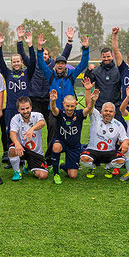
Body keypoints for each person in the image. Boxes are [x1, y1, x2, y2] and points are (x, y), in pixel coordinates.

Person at [37, 33, 90, 162]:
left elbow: (83, 64)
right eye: (58, 63)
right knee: (52, 133)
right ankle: (50, 159)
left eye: (62, 63)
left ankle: (71, 157)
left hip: (69, 110)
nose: (60, 65)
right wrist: (39, 49)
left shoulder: (71, 74)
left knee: (71, 134)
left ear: (65, 64)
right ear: (55, 65)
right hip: (54, 111)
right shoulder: (50, 75)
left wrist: (86, 49)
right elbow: (41, 63)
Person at [0, 31, 37, 163]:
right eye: (14, 61)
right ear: (11, 63)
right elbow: (0, 61)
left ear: (21, 62)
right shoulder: (7, 73)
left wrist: (30, 45)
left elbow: (33, 62)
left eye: (18, 61)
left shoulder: (27, 73)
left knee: (23, 133)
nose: (16, 63)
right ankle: (11, 156)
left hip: (24, 109)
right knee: (9, 133)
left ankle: (24, 156)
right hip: (11, 108)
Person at [49, 78, 98, 184]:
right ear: (63, 104)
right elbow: (53, 109)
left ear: (76, 104)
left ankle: (61, 165)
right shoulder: (60, 113)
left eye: (72, 106)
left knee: (73, 175)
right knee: (56, 146)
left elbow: (89, 108)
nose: (70, 108)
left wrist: (93, 100)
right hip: (61, 142)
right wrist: (53, 101)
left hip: (74, 146)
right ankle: (56, 173)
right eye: (67, 106)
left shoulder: (79, 114)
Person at [80, 101, 129, 179]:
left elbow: (125, 138)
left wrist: (125, 143)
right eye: (106, 111)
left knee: (120, 161)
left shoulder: (118, 125)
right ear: (101, 112)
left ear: (114, 113)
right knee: (84, 159)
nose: (108, 113)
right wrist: (88, 91)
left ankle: (108, 166)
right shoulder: (95, 118)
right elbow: (88, 105)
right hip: (93, 150)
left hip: (109, 152)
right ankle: (92, 167)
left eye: (110, 111)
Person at [8, 97, 47, 181]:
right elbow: (12, 133)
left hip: (36, 152)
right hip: (22, 149)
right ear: (18, 109)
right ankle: (17, 172)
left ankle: (28, 164)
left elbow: (42, 123)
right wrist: (17, 143)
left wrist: (32, 129)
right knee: (12, 150)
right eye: (22, 109)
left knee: (42, 176)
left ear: (31, 107)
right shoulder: (15, 119)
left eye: (27, 108)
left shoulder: (37, 115)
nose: (25, 111)